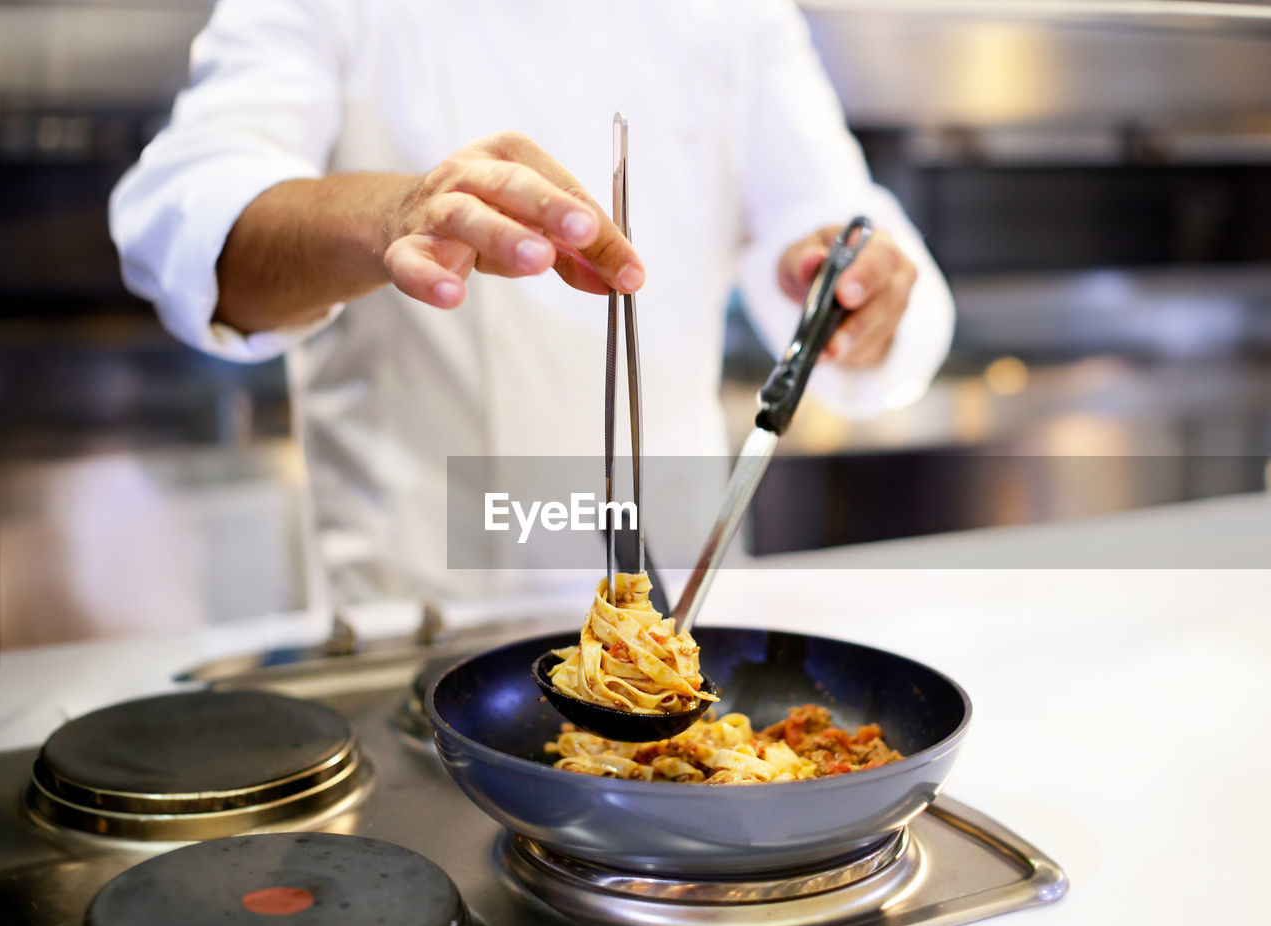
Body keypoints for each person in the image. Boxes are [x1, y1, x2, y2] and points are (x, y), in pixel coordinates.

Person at [109, 0, 955, 611]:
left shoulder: (734, 18)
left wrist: (861, 291)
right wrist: (394, 216)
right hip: (426, 624)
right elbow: (187, 212)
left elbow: (835, 216)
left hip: (687, 614)